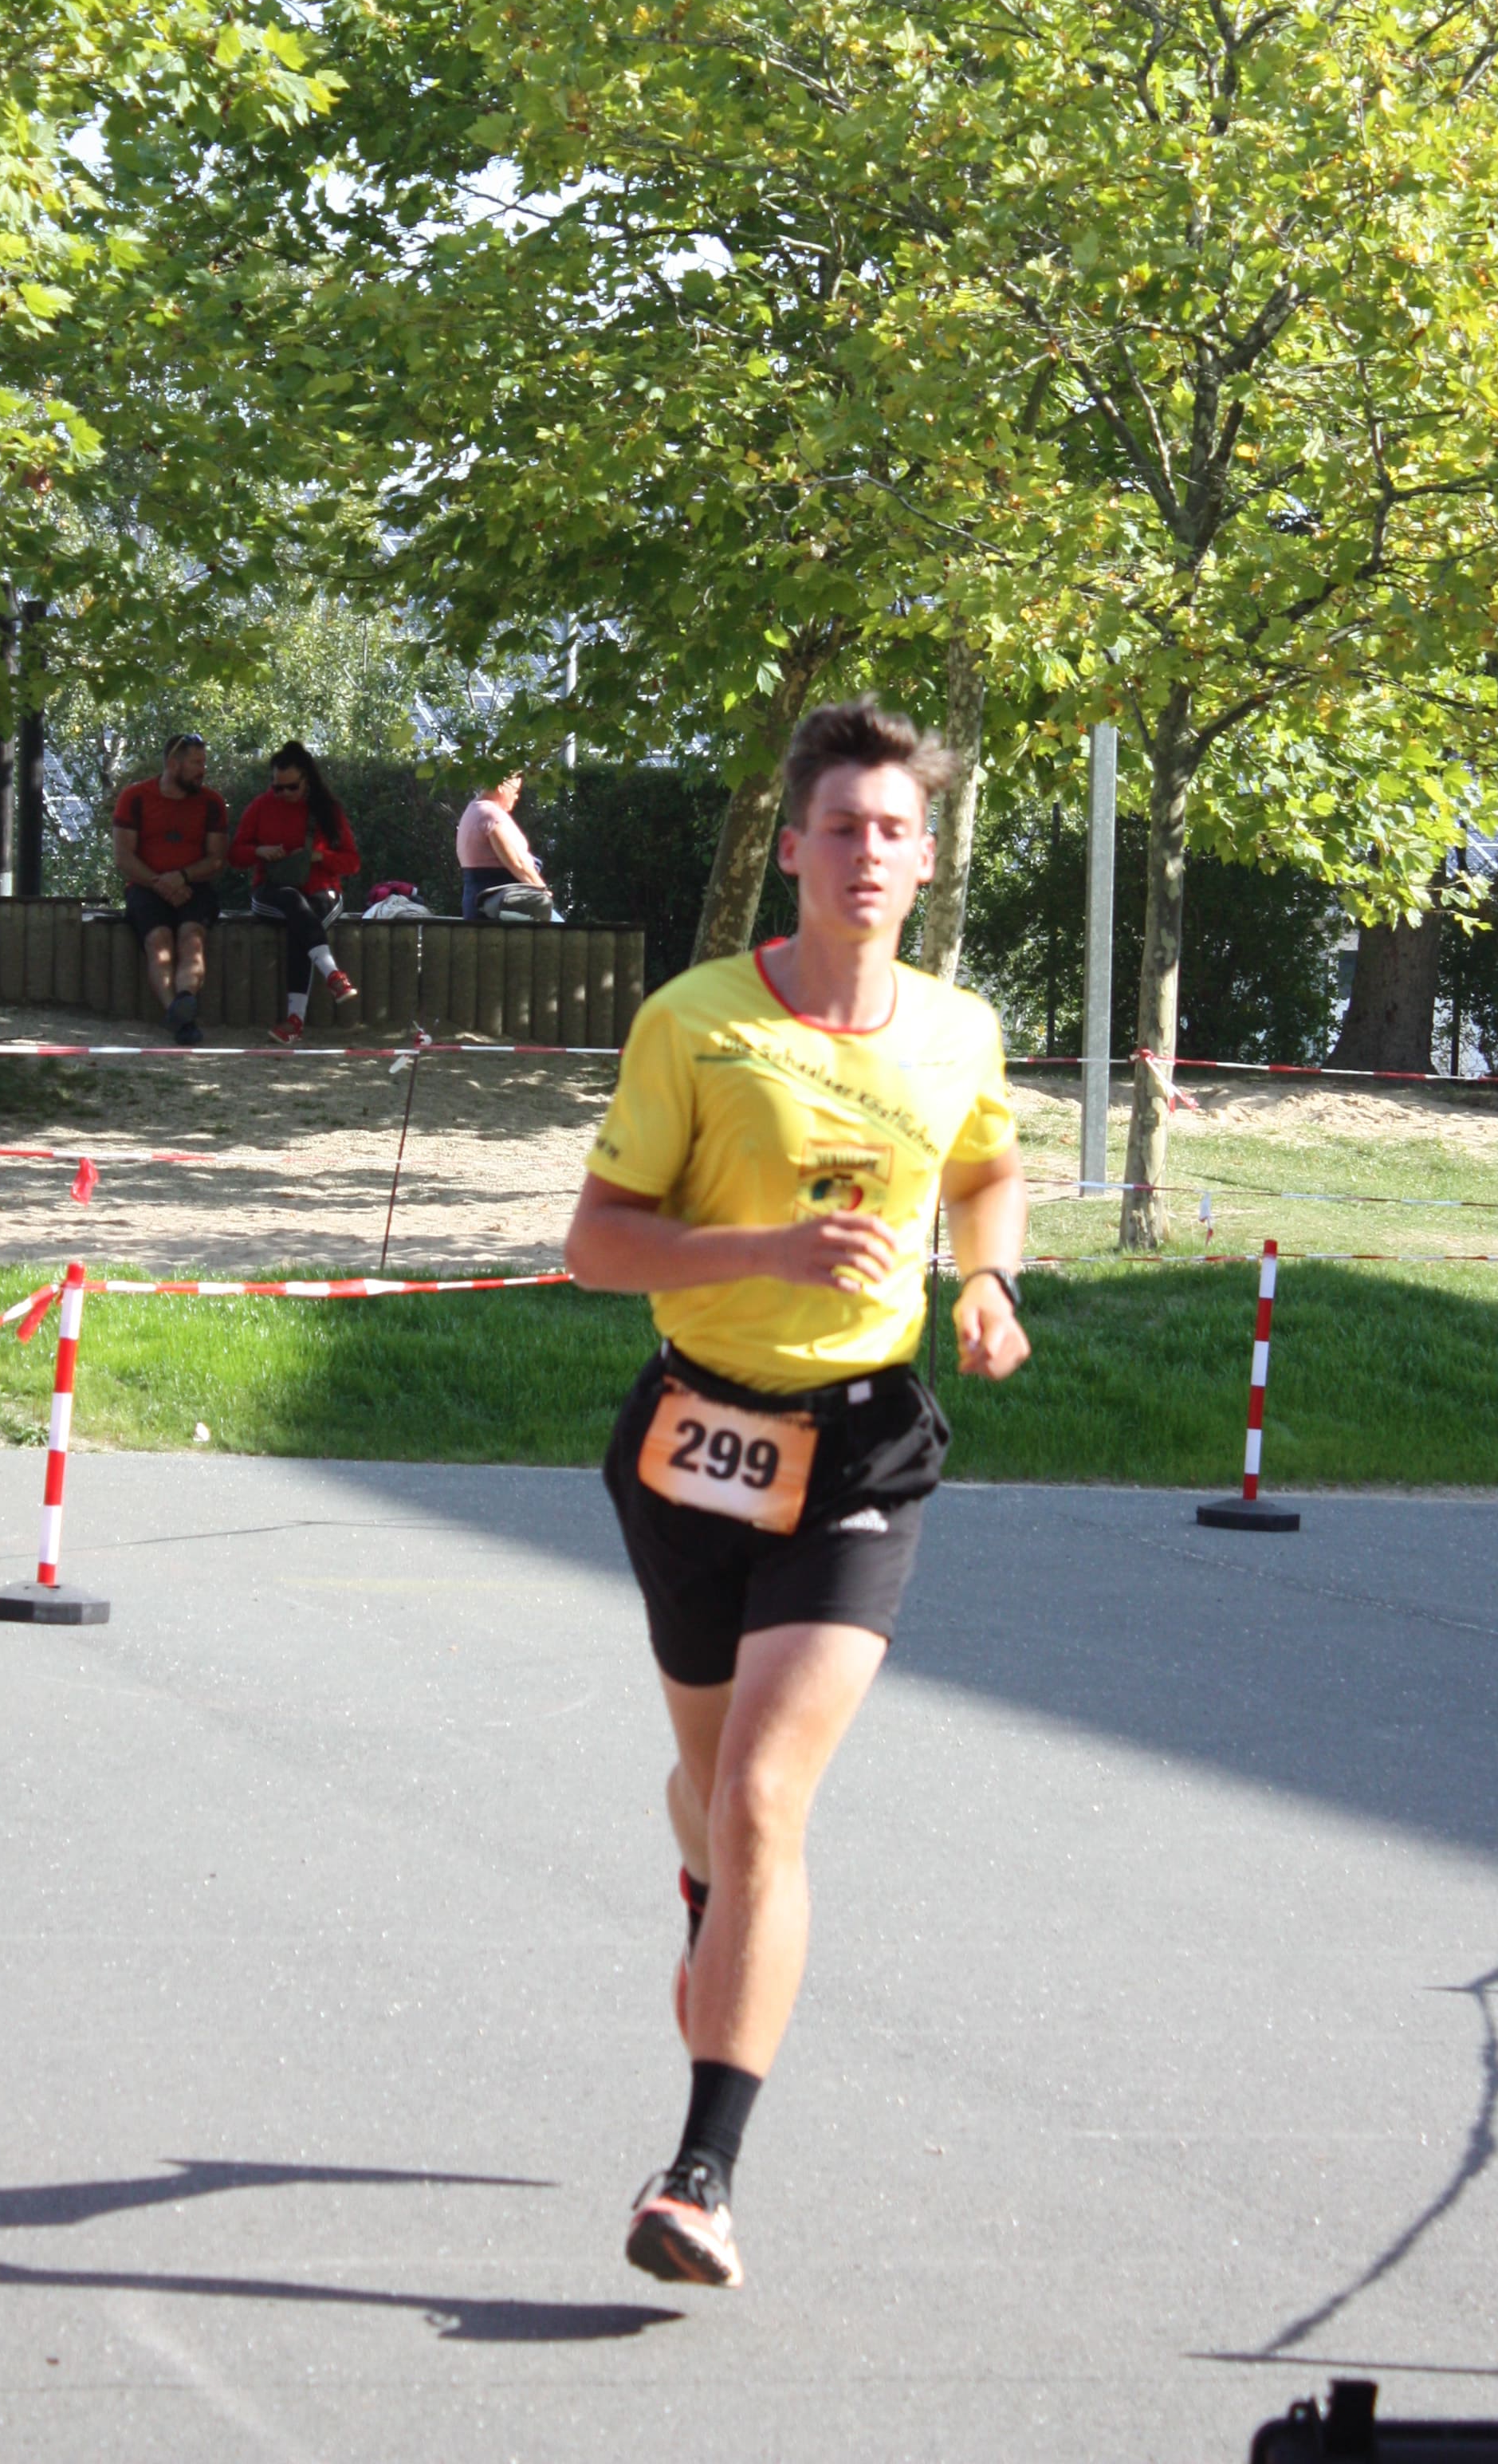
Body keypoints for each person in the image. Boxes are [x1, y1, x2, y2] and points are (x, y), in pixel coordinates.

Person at [564, 698, 1029, 2291]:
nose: (867, 854)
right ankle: (707, 1891)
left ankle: (698, 2173)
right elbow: (595, 1243)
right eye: (842, 827)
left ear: (924, 860)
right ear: (791, 850)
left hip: (863, 1444)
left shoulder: (955, 1029)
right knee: (714, 1795)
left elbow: (984, 1165)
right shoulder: (694, 1022)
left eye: (894, 831)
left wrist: (987, 1280)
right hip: (693, 1432)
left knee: (766, 1796)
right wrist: (764, 1249)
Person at [230, 740, 361, 1045]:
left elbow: (352, 862)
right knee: (295, 907)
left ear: (306, 780)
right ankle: (333, 975)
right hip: (273, 890)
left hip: (321, 891)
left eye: (291, 787)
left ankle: (294, 1021)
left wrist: (319, 857)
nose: (284, 794)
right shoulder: (260, 807)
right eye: (277, 787)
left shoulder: (327, 810)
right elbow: (235, 854)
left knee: (300, 923)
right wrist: (260, 851)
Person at [112, 735, 228, 1045]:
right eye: (196, 763)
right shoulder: (135, 797)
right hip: (146, 886)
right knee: (158, 942)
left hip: (194, 887)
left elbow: (216, 859)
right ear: (174, 764)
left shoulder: (212, 803)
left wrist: (183, 877)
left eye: (204, 763)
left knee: (192, 939)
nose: (202, 770)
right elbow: (124, 857)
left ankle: (184, 998)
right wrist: (160, 883)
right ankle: (178, 1015)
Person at [455, 770, 554, 919]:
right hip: (498, 908)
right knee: (547, 910)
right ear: (501, 786)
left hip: (479, 902)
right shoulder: (490, 815)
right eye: (515, 791)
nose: (517, 796)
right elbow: (518, 863)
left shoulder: (474, 809)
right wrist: (542, 890)